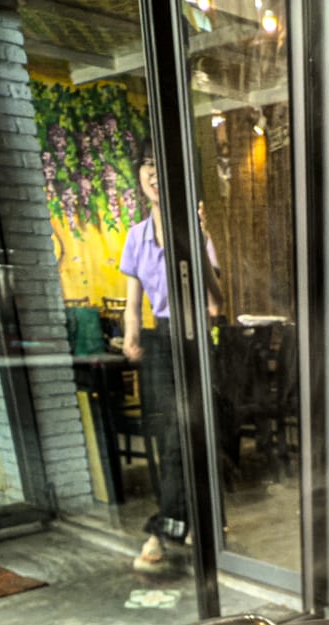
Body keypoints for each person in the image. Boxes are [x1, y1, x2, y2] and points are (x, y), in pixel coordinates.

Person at [120, 158, 221, 574]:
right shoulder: (136, 237)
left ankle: (162, 528)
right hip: (160, 339)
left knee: (186, 432)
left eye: (160, 163)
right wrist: (131, 335)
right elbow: (132, 300)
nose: (153, 172)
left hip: (194, 337)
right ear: (140, 175)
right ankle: (198, 520)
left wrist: (198, 242)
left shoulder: (195, 233)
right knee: (169, 434)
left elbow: (215, 303)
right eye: (145, 164)